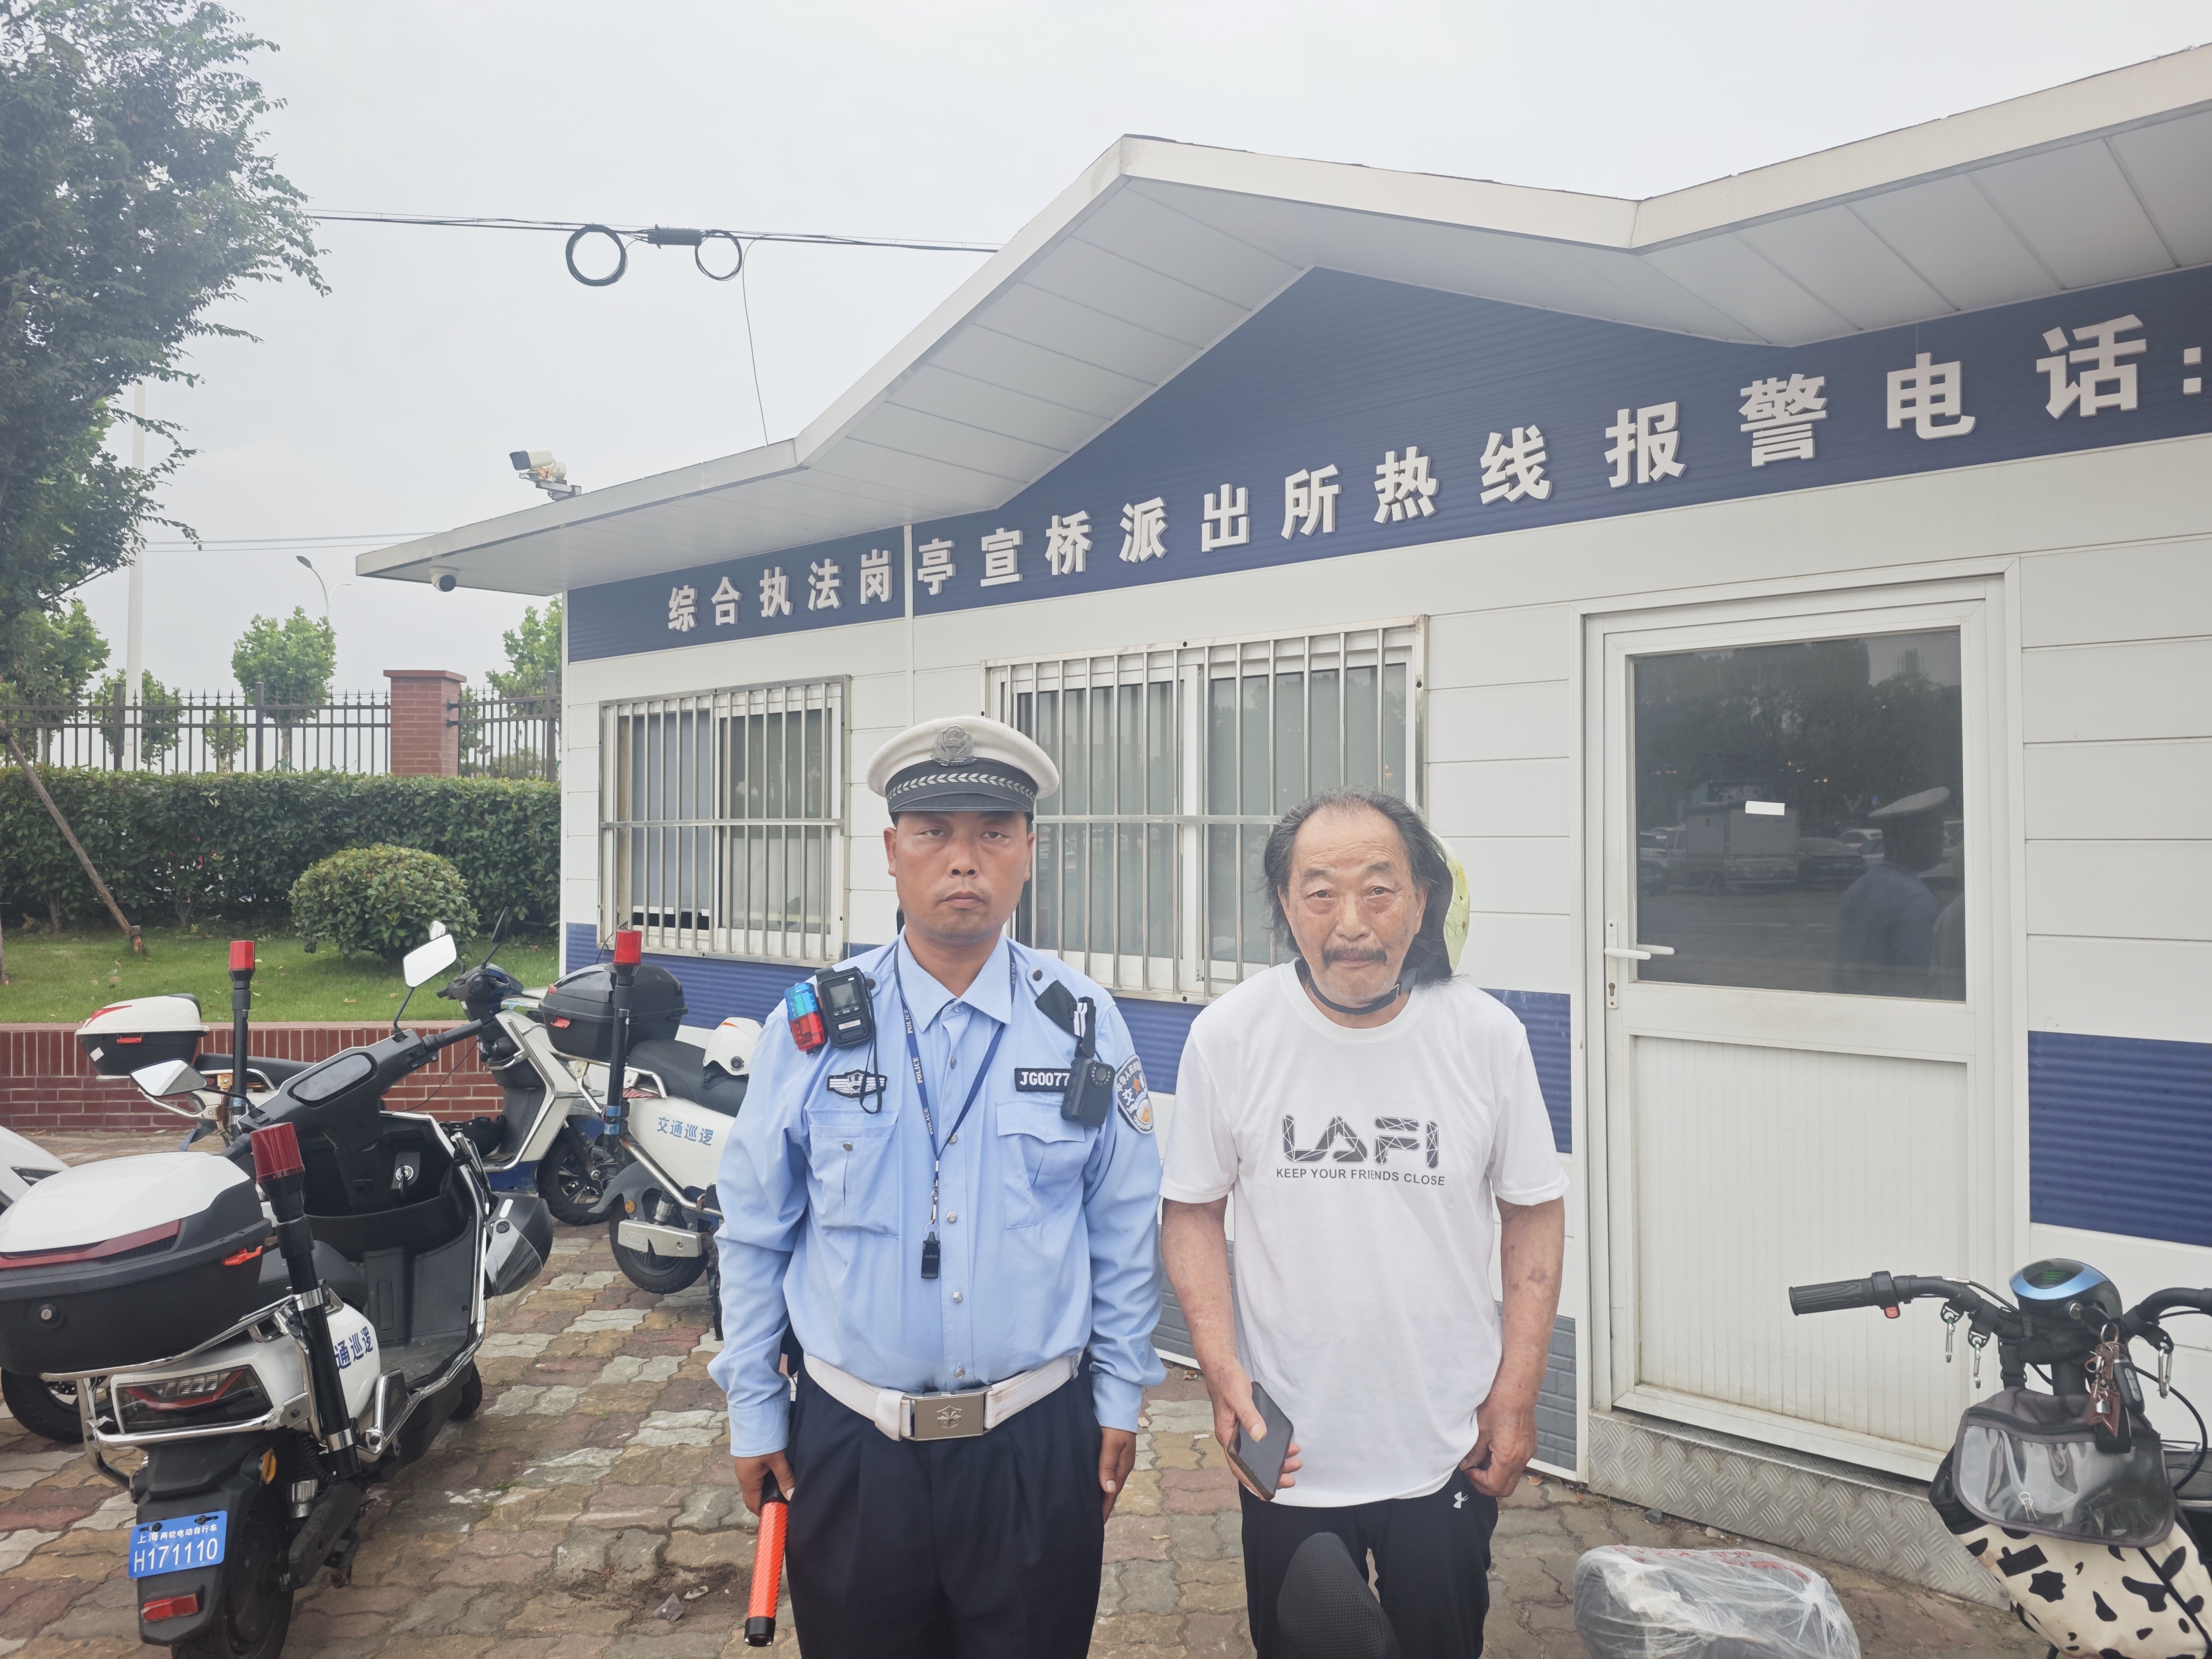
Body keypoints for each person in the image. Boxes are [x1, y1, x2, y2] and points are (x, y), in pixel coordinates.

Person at [710, 714, 1164, 1659]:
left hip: (1034, 1443)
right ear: (892, 852)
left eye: (994, 832)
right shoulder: (812, 1028)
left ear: (1028, 852)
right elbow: (755, 1231)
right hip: (852, 1448)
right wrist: (753, 1406)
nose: (965, 859)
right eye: (933, 832)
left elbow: (1122, 1224)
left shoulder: (1084, 1023)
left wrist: (1119, 1394)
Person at [1161, 788, 1568, 1659]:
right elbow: (1191, 1210)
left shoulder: (1485, 1036)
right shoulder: (1231, 1036)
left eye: (1379, 891)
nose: (1351, 923)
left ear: (1422, 902)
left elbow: (1533, 1211)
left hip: (1446, 1441)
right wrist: (1223, 1374)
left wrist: (1518, 1394)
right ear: (1286, 906)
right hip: (1290, 1451)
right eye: (1320, 893)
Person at [1835, 786, 1953, 998]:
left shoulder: (1861, 888)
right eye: (1937, 830)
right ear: (1911, 837)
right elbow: (1919, 983)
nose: (1942, 839)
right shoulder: (1916, 900)